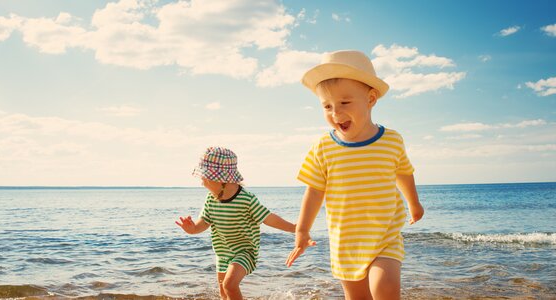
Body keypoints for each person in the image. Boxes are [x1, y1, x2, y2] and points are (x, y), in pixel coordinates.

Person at [285, 50, 424, 299]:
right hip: (346, 243)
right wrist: (302, 230)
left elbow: (404, 172)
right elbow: (315, 191)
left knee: (385, 289)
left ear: (371, 99)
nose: (335, 113)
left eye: (345, 103)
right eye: (327, 106)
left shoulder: (391, 140)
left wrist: (414, 204)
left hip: (385, 236)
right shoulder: (323, 147)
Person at [176, 146, 300, 300]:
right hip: (222, 253)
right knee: (224, 294)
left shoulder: (246, 199)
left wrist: (296, 228)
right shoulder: (211, 199)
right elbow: (203, 223)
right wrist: (192, 228)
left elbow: (269, 218)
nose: (202, 182)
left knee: (230, 285)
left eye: (204, 178)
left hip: (245, 252)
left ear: (220, 179)